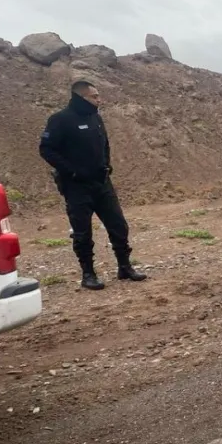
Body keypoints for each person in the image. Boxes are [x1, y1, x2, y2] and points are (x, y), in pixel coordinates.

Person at [39, 80, 147, 290]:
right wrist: (72, 171)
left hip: (102, 183)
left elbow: (104, 144)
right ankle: (88, 274)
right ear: (80, 97)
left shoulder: (96, 118)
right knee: (82, 232)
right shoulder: (60, 120)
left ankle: (125, 267)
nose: (99, 100)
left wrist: (106, 165)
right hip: (77, 186)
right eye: (94, 96)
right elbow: (46, 149)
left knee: (118, 225)